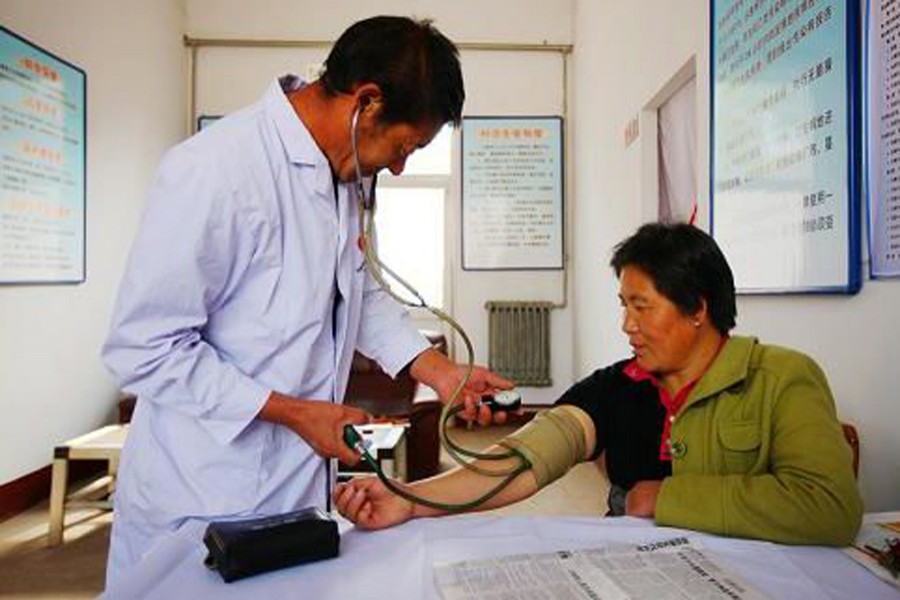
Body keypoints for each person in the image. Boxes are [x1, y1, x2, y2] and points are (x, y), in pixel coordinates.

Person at [101, 16, 512, 588]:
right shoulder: (215, 170)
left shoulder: (344, 176)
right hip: (200, 490)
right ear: (366, 102)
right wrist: (295, 412)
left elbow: (355, 290)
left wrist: (440, 372)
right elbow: (143, 348)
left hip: (294, 490)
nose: (398, 167)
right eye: (403, 147)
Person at [335, 222, 863, 546]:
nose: (627, 325)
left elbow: (829, 507)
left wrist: (667, 498)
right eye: (623, 306)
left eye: (642, 307)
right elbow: (520, 462)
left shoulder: (783, 378)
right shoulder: (616, 388)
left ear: (697, 308)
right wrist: (409, 498)